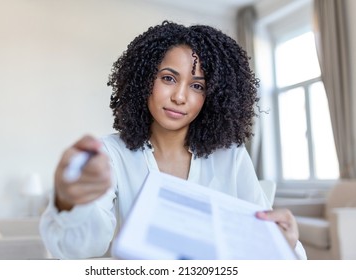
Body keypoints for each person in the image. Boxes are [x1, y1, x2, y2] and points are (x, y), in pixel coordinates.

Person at [39, 20, 306, 260]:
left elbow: (266, 245)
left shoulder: (231, 156)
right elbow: (82, 248)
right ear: (144, 80)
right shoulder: (112, 154)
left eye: (197, 86)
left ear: (212, 96)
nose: (180, 96)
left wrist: (285, 244)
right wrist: (69, 202)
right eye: (168, 78)